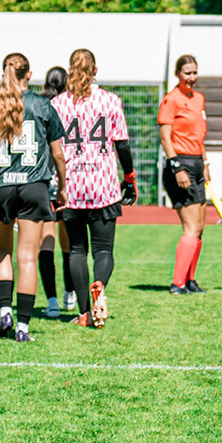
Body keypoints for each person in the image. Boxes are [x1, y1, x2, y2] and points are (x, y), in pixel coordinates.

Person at [0, 53, 68, 341]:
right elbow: (58, 153)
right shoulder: (43, 105)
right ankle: (23, 327)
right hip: (34, 186)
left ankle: (5, 311)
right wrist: (64, 186)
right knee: (28, 258)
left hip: (0, 185)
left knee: (2, 253)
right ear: (29, 74)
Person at [53, 48, 136, 327]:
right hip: (104, 185)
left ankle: (84, 313)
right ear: (96, 70)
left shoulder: (58, 104)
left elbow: (52, 148)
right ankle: (99, 284)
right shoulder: (111, 101)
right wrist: (130, 176)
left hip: (72, 186)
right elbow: (121, 143)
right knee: (103, 251)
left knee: (76, 250)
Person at [159, 54, 210, 293]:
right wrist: (176, 165)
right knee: (190, 227)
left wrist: (206, 163)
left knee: (199, 227)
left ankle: (190, 279)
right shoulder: (171, 100)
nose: (192, 78)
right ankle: (177, 282)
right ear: (178, 74)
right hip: (181, 164)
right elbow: (165, 137)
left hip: (198, 164)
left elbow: (200, 135)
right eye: (187, 73)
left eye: (194, 72)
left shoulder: (199, 99)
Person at [38, 65, 69, 318]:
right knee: (68, 241)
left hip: (41, 179)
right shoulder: (68, 105)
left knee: (45, 242)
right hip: (65, 178)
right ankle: (70, 293)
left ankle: (52, 301)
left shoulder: (39, 105)